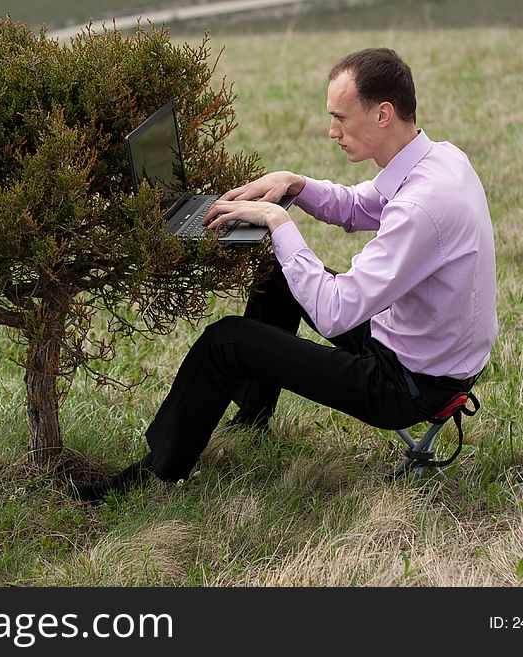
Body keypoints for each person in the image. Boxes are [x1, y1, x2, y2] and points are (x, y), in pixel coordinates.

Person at [74, 47, 498, 502]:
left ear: (383, 114)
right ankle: (254, 419)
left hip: (408, 386)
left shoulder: (420, 209)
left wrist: (278, 222)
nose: (332, 131)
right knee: (277, 272)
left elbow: (334, 312)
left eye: (340, 117)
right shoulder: (441, 160)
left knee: (226, 342)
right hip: (430, 354)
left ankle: (155, 474)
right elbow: (361, 206)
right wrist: (295, 183)